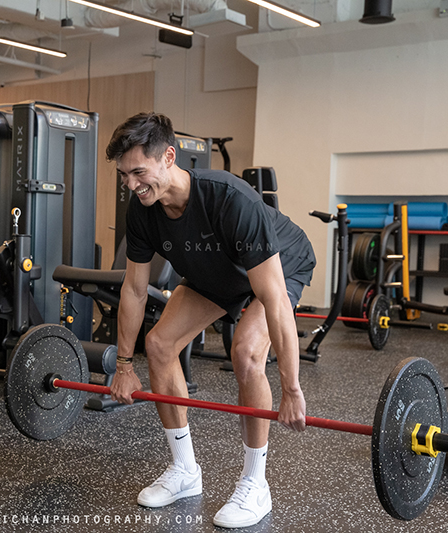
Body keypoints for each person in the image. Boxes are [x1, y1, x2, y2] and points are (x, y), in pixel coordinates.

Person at [106, 113, 315, 528]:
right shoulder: (143, 210)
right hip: (216, 270)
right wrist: (124, 366)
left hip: (278, 268)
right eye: (124, 175)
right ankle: (185, 471)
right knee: (161, 345)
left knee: (246, 354)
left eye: (138, 172)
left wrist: (291, 388)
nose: (131, 185)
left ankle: (256, 484)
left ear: (168, 157)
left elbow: (272, 299)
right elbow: (133, 289)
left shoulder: (230, 199)